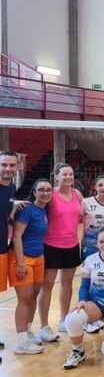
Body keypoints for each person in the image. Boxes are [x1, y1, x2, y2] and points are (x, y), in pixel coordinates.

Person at [61, 227, 104, 370]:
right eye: (101, 242)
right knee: (72, 318)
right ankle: (78, 351)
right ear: (97, 243)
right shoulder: (91, 260)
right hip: (96, 305)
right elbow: (84, 285)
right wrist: (82, 300)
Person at [36, 163, 83, 341]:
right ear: (56, 176)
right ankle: (44, 326)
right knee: (47, 285)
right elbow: (36, 208)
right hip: (51, 245)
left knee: (67, 283)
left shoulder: (77, 194)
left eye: (71, 174)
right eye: (64, 174)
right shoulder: (51, 194)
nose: (68, 177)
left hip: (72, 244)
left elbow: (88, 210)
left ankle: (64, 320)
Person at [9, 179, 52, 355]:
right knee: (25, 299)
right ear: (34, 192)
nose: (45, 193)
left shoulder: (43, 211)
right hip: (23, 259)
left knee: (33, 296)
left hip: (38, 258)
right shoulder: (26, 209)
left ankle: (27, 333)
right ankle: (21, 342)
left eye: (48, 190)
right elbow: (16, 236)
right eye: (41, 190)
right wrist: (21, 263)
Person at [0, 150, 20, 349]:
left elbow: (6, 217)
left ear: (17, 167)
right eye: (4, 165)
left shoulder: (12, 188)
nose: (8, 169)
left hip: (2, 248)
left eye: (11, 165)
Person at [80, 173, 104, 261]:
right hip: (89, 243)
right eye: (100, 185)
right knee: (89, 267)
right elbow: (81, 222)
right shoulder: (86, 202)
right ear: (95, 187)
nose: (103, 188)